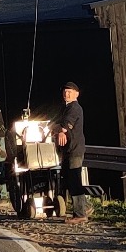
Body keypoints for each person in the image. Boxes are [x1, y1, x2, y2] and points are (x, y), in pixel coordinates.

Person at [54, 80, 90, 220]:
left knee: (74, 180)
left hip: (74, 149)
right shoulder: (66, 108)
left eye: (69, 92)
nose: (66, 94)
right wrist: (60, 130)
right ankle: (85, 207)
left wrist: (58, 130)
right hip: (69, 149)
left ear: (77, 94)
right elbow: (61, 127)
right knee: (69, 178)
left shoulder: (74, 108)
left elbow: (63, 127)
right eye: (64, 92)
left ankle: (80, 214)